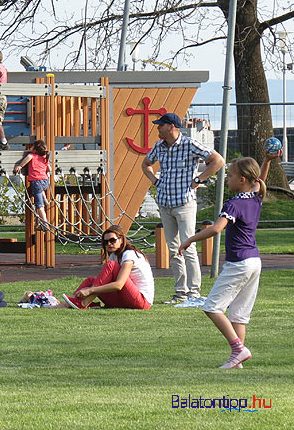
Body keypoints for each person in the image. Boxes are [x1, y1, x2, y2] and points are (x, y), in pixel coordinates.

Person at [178, 152, 278, 369]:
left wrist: (189, 240)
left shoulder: (233, 204)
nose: (227, 178)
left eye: (230, 175)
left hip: (239, 263)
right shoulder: (255, 196)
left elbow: (216, 229)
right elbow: (260, 180)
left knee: (212, 307)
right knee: (239, 315)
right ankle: (237, 361)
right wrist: (267, 161)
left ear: (242, 180)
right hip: (254, 261)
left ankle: (238, 349)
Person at [142, 112, 225, 304]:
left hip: (185, 203)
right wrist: (155, 181)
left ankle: (194, 293)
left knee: (188, 247)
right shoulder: (159, 146)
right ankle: (180, 293)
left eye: (160, 125)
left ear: (171, 126)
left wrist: (199, 179)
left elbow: (218, 161)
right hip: (165, 202)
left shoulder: (189, 144)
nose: (157, 128)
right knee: (173, 250)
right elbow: (146, 164)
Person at [59, 225, 155, 309]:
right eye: (106, 242)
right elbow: (106, 281)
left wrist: (90, 290)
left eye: (112, 240)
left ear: (121, 239)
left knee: (111, 266)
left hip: (142, 301)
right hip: (126, 298)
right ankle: (69, 304)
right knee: (91, 280)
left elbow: (119, 285)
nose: (109, 244)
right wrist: (91, 288)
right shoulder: (114, 255)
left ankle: (83, 303)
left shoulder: (129, 254)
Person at [14, 139, 51, 230]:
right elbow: (49, 169)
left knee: (39, 206)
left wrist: (20, 166)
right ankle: (45, 198)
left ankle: (45, 224)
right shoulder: (45, 158)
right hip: (45, 181)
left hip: (36, 182)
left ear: (35, 150)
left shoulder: (31, 155)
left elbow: (25, 161)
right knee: (40, 189)